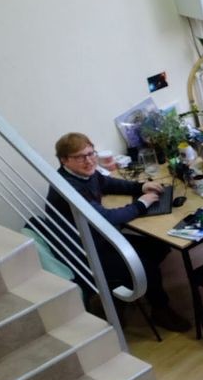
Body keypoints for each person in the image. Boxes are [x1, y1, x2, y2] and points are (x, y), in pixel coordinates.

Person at [44, 132, 191, 331]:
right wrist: (141, 204)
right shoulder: (68, 188)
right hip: (85, 251)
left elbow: (107, 183)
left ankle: (126, 288)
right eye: (80, 157)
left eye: (90, 153)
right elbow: (105, 219)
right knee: (146, 265)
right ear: (64, 160)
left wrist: (140, 187)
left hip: (99, 237)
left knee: (158, 246)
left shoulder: (83, 173)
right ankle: (159, 309)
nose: (88, 161)